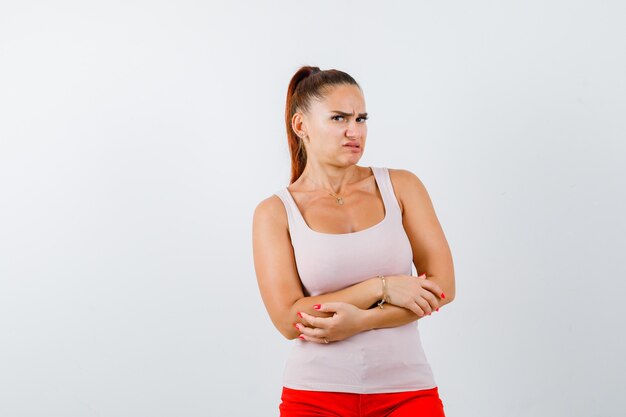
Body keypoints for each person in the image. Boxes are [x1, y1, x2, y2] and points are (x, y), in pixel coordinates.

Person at [252, 66, 456, 417]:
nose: (354, 131)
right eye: (338, 118)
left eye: (361, 119)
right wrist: (383, 287)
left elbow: (442, 287)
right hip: (315, 395)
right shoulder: (275, 212)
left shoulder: (402, 187)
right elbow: (289, 320)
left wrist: (359, 322)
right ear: (301, 126)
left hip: (407, 391)